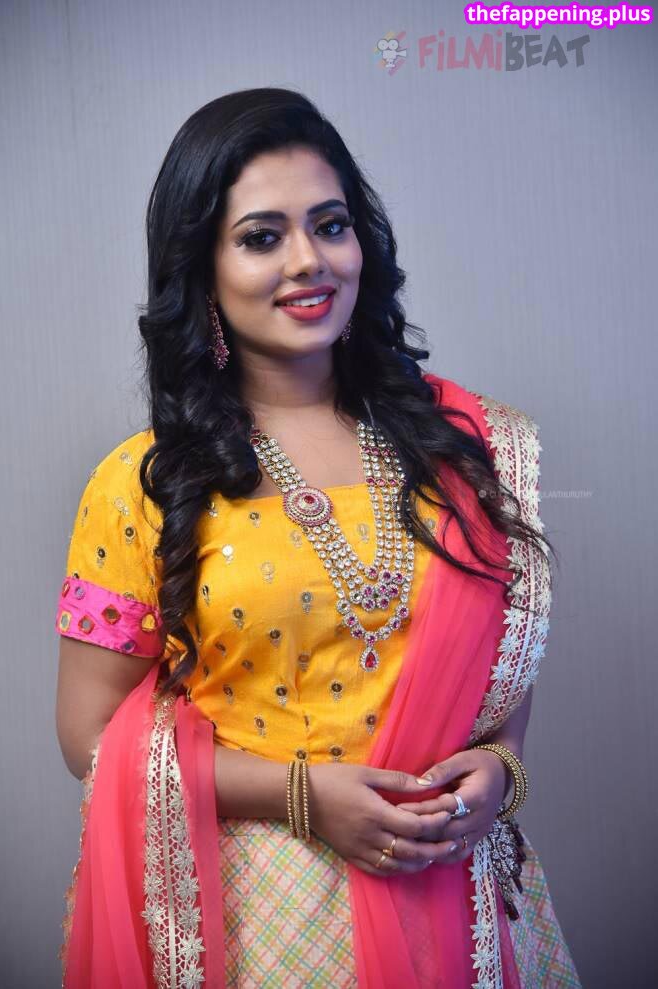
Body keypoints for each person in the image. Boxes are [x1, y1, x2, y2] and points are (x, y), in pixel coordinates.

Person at [55, 88, 581, 988]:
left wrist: (499, 770)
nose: (309, 260)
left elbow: (495, 675)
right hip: (263, 913)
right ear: (202, 268)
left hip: (455, 896)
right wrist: (303, 795)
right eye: (262, 237)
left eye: (330, 225)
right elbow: (92, 737)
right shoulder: (143, 482)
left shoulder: (465, 448)